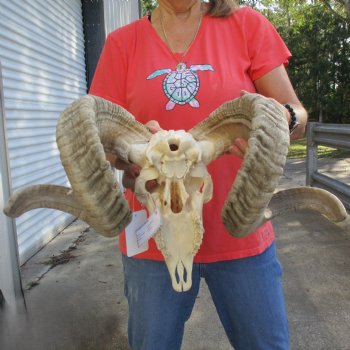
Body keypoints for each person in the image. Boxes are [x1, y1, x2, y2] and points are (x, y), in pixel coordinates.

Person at [89, 1, 308, 349]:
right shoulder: (121, 44)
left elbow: (296, 113)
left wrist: (283, 121)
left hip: (241, 233)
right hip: (153, 243)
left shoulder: (246, 25)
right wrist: (126, 160)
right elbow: (103, 138)